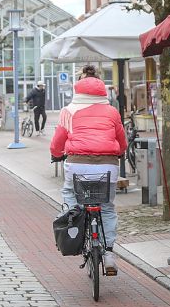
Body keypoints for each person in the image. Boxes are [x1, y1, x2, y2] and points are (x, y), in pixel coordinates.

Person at [50, 65, 127, 275]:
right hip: (107, 166)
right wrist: (119, 152)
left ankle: (73, 228)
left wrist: (56, 154)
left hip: (77, 164)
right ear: (102, 90)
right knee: (107, 207)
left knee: (70, 196)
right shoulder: (112, 111)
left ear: (78, 90)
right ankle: (109, 253)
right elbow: (122, 141)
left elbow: (58, 141)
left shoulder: (68, 111)